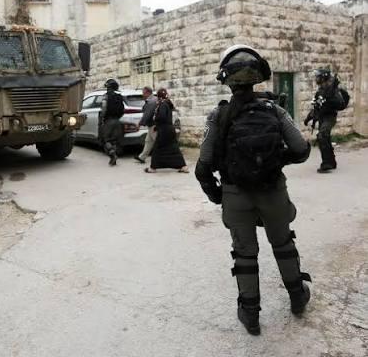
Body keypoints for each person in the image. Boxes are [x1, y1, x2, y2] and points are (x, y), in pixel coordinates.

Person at [195, 45, 312, 336]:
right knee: (283, 244)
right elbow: (301, 150)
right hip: (273, 190)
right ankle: (298, 297)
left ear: (226, 78)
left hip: (235, 195)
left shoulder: (217, 115)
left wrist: (217, 195)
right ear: (258, 76)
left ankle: (250, 315)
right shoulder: (275, 110)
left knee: (244, 254)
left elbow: (203, 167)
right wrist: (275, 161)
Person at [304, 68, 349, 173]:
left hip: (330, 117)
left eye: (318, 76)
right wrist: (308, 118)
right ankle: (332, 162)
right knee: (325, 138)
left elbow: (340, 103)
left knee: (322, 136)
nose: (316, 78)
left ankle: (327, 163)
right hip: (322, 117)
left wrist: (330, 99)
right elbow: (316, 107)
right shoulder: (320, 91)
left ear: (323, 77)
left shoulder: (333, 91)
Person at [145, 88, 189, 173]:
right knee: (174, 148)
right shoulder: (167, 103)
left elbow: (162, 117)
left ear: (159, 96)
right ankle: (184, 167)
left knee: (157, 148)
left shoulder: (162, 104)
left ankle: (153, 168)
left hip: (164, 131)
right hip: (169, 129)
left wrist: (155, 118)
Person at [101, 78, 125, 166]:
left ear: (108, 87)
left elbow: (104, 109)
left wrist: (102, 118)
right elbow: (122, 109)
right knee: (114, 141)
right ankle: (113, 158)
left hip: (108, 120)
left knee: (106, 140)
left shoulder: (105, 96)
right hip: (117, 121)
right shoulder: (119, 96)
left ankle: (112, 155)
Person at [134, 86, 158, 164]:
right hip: (152, 125)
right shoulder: (154, 99)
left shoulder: (151, 101)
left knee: (158, 143)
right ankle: (142, 157)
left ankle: (165, 158)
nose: (143, 94)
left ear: (148, 92)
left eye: (143, 93)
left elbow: (147, 115)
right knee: (148, 141)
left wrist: (139, 124)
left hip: (154, 125)